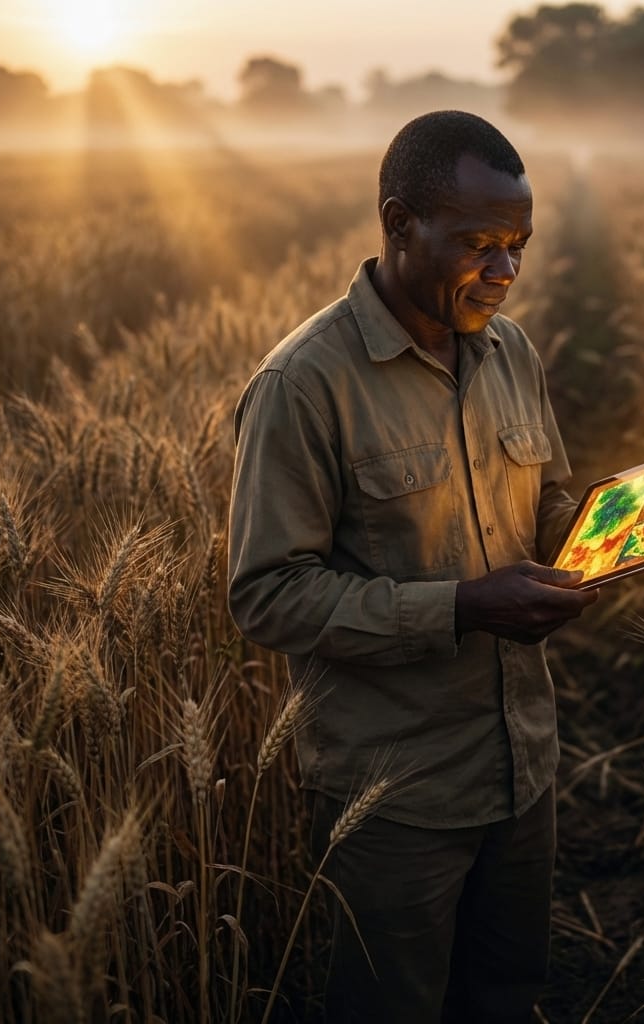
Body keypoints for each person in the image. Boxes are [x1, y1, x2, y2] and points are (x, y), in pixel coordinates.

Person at [227, 109, 597, 1023]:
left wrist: (601, 531)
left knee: (505, 999)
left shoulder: (509, 350)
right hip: (393, 797)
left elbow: (547, 496)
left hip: (524, 763)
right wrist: (464, 606)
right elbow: (267, 596)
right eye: (479, 244)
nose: (505, 272)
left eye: (518, 245)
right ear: (399, 225)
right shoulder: (303, 386)